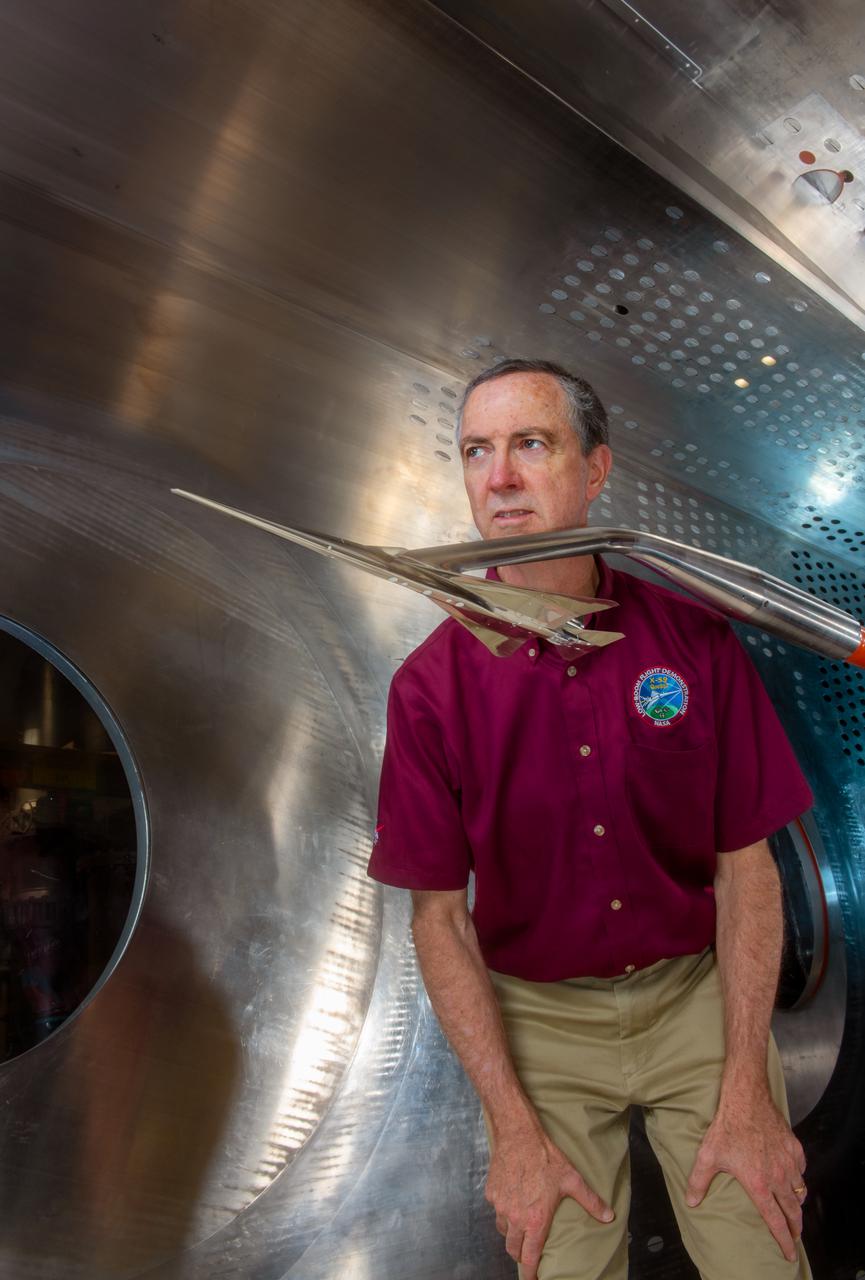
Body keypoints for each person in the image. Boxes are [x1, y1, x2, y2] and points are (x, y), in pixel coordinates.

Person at [368, 358, 813, 1280]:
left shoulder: (696, 642)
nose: (499, 478)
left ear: (595, 468)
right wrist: (512, 1127)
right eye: (475, 452)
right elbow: (438, 919)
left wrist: (745, 1088)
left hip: (697, 1000)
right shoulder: (428, 688)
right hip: (539, 1025)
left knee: (761, 1256)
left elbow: (747, 868)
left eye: (530, 444)